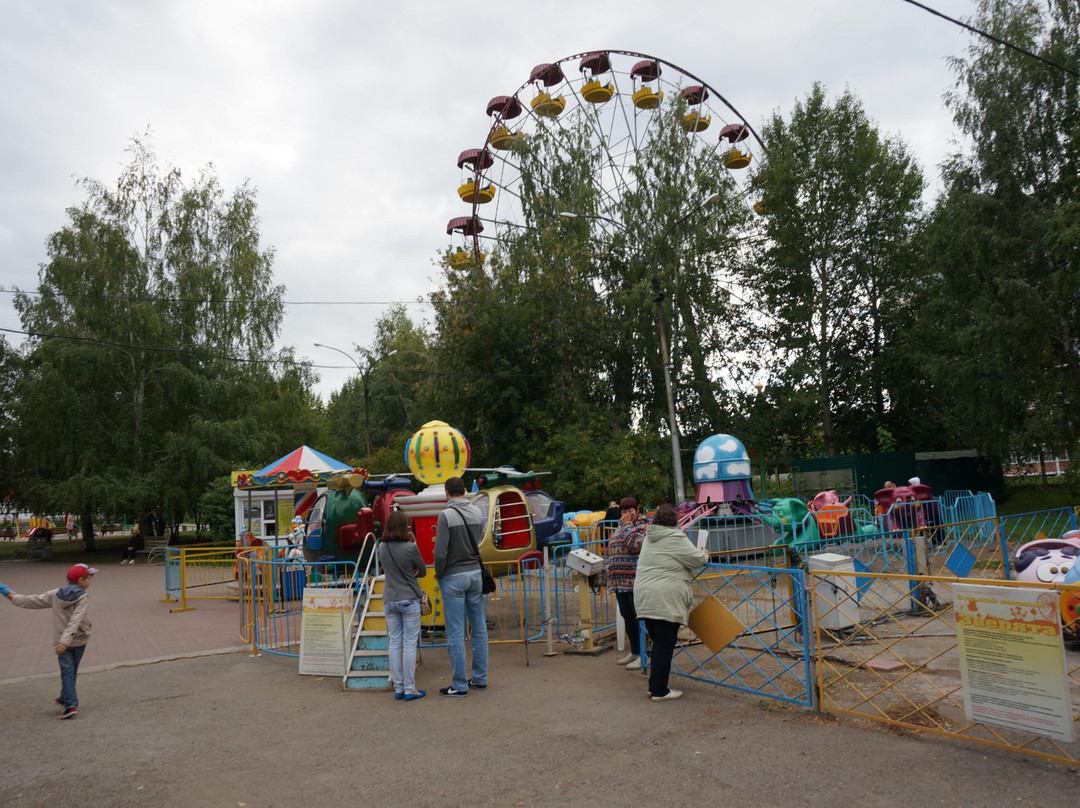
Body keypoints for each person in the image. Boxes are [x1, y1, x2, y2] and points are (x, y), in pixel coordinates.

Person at [2, 563, 98, 718]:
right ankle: (70, 705)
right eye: (89, 578)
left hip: (62, 641)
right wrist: (65, 642)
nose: (91, 581)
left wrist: (10, 595)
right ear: (81, 580)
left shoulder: (56, 593)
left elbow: (33, 600)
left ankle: (66, 699)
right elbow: (76, 620)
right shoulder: (82, 597)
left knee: (68, 671)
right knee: (70, 671)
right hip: (77, 640)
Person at [633, 504, 709, 702]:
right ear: (674, 521)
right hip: (665, 597)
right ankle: (659, 690)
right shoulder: (675, 537)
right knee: (664, 646)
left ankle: (654, 686)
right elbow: (697, 559)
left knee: (658, 643)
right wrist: (706, 554)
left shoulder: (649, 537)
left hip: (644, 596)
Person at [433, 475, 487, 697]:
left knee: (455, 631)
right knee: (479, 627)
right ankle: (480, 678)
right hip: (475, 574)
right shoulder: (477, 512)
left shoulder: (446, 516)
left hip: (453, 576)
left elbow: (440, 552)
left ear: (446, 492)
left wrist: (439, 573)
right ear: (465, 491)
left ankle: (459, 684)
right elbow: (480, 538)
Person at [378, 510, 427, 701]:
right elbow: (422, 570)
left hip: (389, 598)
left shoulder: (382, 547)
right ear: (404, 527)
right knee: (409, 644)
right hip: (409, 598)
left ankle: (398, 687)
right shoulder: (410, 547)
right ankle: (410, 688)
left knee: (394, 644)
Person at [606, 496, 648, 670]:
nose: (627, 514)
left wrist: (627, 525)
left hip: (634, 581)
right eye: (624, 511)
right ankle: (635, 651)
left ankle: (646, 654)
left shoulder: (641, 527)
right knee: (627, 617)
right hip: (619, 582)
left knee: (639, 618)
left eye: (631, 511)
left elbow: (635, 546)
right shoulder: (620, 528)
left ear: (637, 511)